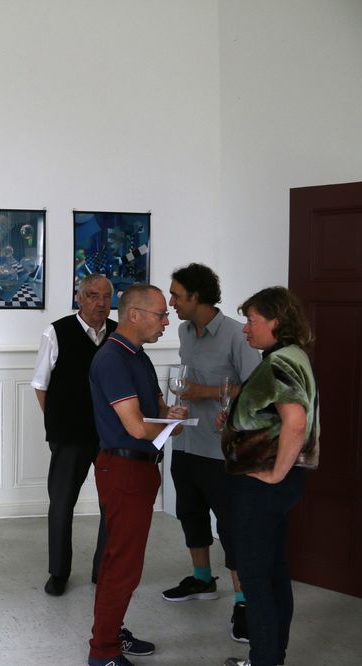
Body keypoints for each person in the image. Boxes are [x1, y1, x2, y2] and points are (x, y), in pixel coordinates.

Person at [87, 284, 188, 666]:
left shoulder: (137, 356)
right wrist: (163, 425)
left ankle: (110, 634)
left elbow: (156, 416)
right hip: (124, 470)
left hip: (140, 469)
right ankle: (104, 652)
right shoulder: (113, 359)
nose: (167, 321)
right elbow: (136, 427)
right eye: (160, 314)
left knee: (122, 561)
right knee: (123, 565)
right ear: (134, 314)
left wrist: (170, 419)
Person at [221, 287, 319, 666]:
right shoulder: (293, 356)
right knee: (274, 572)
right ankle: (272, 658)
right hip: (274, 486)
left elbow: (295, 422)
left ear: (276, 321)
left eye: (252, 320)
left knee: (255, 578)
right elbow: (277, 418)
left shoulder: (280, 362)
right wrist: (235, 421)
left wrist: (276, 473)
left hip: (261, 486)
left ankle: (264, 660)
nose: (246, 328)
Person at [163, 264, 261, 643]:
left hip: (222, 450)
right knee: (190, 514)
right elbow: (183, 382)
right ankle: (202, 580)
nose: (171, 302)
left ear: (196, 296)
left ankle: (243, 602)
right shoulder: (185, 331)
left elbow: (255, 389)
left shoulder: (237, 335)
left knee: (232, 527)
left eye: (177, 295)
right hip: (186, 441)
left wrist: (202, 392)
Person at [31, 273, 116, 596]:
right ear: (79, 298)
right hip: (68, 435)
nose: (101, 303)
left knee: (112, 503)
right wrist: (57, 423)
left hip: (109, 435)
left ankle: (102, 569)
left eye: (106, 296)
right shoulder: (57, 332)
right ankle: (58, 572)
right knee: (62, 503)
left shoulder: (119, 333)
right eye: (93, 295)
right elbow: (40, 384)